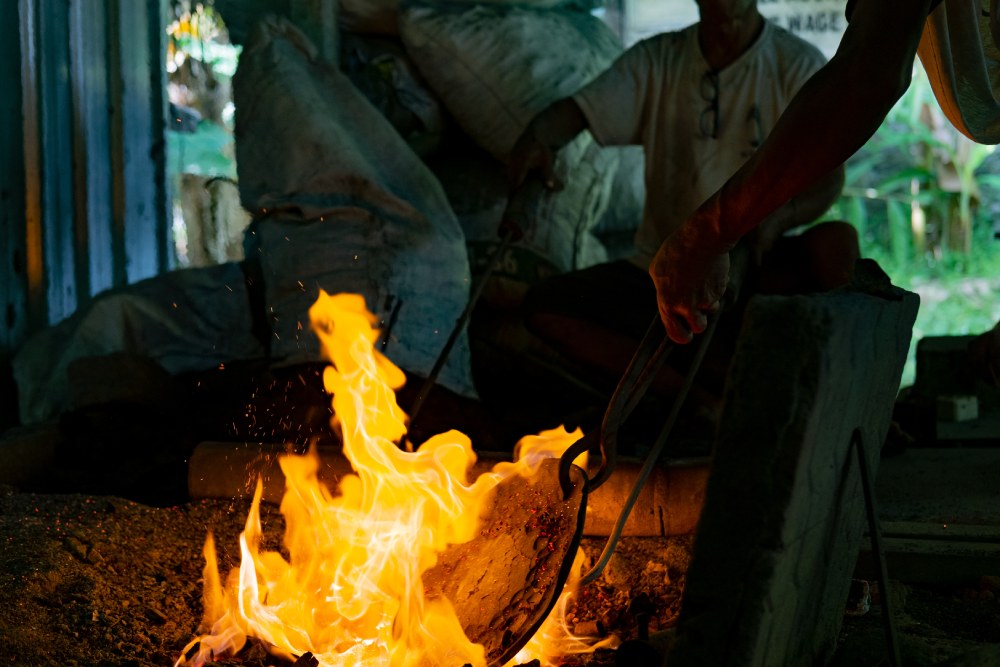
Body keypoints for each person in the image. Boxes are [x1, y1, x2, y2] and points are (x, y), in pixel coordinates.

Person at [506, 0, 851, 418]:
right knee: (547, 307)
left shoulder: (794, 65)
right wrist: (540, 137)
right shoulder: (659, 59)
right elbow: (575, 112)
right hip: (664, 270)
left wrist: (776, 220)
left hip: (758, 263)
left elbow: (830, 177)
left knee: (837, 244)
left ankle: (844, 399)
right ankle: (700, 400)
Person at [652, 0, 1000, 344]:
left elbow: (867, 75)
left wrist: (708, 235)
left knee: (835, 245)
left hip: (745, 242)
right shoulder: (666, 61)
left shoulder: (792, 58)